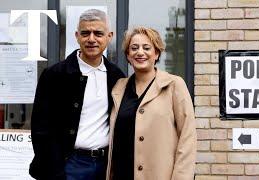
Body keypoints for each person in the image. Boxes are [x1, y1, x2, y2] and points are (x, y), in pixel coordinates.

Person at [29, 9, 125, 180]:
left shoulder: (116, 76)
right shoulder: (55, 75)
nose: (91, 39)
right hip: (69, 165)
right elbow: (40, 129)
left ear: (109, 36)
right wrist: (56, 171)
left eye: (98, 33)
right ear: (77, 36)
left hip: (106, 166)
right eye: (85, 33)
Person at [106, 27, 197, 180]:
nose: (140, 52)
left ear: (157, 53)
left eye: (147, 48)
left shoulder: (174, 85)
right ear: (128, 55)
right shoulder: (118, 88)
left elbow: (188, 138)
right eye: (134, 48)